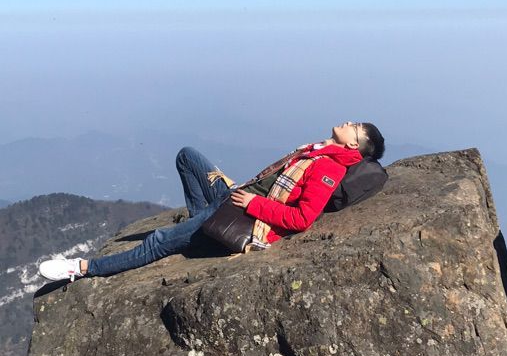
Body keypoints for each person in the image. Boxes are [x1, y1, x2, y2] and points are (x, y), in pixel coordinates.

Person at [39, 121, 385, 282]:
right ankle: (200, 229)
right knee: (188, 156)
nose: (347, 122)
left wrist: (251, 204)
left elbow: (302, 219)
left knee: (158, 240)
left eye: (354, 127)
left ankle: (82, 269)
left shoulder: (328, 168)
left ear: (353, 146)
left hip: (247, 219)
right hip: (235, 200)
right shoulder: (317, 150)